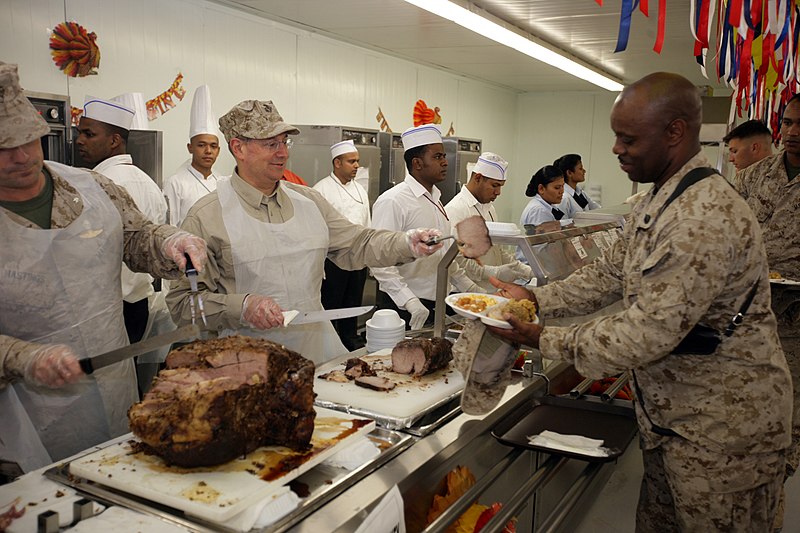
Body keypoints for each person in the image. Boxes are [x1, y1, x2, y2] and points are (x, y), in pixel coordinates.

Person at [488, 72, 792, 532]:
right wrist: (535, 297)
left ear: (675, 132)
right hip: (675, 419)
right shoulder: (664, 198)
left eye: (628, 138)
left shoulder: (701, 214)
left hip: (722, 432)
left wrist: (541, 337)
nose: (615, 149)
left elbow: (647, 332)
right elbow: (609, 272)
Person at [0, 62, 207, 472]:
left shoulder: (90, 187)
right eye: (3, 147)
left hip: (112, 383)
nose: (22, 156)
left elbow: (136, 237)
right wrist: (21, 356)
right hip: (24, 409)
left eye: (29, 140)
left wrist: (170, 241)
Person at [166, 100, 444, 364]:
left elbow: (359, 242)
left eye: (284, 142)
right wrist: (241, 307)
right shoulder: (206, 217)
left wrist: (406, 243)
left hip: (316, 353)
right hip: (247, 362)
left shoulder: (309, 202)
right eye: (271, 144)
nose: (283, 152)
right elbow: (182, 303)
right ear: (238, 148)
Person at [733, 96, 800, 530]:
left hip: (796, 330)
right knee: (741, 429)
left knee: (786, 435)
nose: (793, 131)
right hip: (747, 323)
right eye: (788, 122)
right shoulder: (752, 177)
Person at [370, 124, 485, 330]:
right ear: (417, 163)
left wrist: (468, 287)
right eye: (438, 157)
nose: (445, 162)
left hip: (438, 302)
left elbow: (443, 256)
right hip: (404, 306)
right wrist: (409, 301)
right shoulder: (393, 201)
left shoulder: (436, 199)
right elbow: (379, 261)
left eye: (444, 156)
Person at [76, 96, 169, 344]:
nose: (79, 140)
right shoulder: (149, 184)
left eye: (88, 134)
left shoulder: (96, 185)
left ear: (115, 140)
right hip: (139, 305)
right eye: (79, 133)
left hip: (107, 308)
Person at [443, 152, 532, 291]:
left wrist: (521, 269)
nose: (498, 192)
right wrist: (492, 272)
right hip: (465, 292)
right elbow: (456, 259)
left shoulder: (490, 209)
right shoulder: (456, 209)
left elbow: (496, 248)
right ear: (478, 178)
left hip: (490, 288)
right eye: (495, 185)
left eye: (501, 186)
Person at [313, 140, 370, 350]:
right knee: (331, 305)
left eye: (357, 161)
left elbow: (367, 223)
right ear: (337, 163)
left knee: (353, 303)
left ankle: (351, 340)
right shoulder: (321, 190)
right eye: (351, 161)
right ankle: (328, 344)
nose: (356, 166)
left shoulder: (360, 190)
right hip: (332, 260)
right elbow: (316, 230)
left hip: (358, 258)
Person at [163, 85, 223, 226]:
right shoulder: (175, 183)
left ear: (218, 151)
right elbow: (170, 227)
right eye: (201, 145)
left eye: (213, 146)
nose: (208, 151)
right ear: (190, 148)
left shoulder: (223, 183)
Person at [518, 165, 570, 229]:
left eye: (563, 186)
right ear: (541, 189)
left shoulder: (548, 206)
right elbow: (543, 238)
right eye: (557, 187)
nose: (562, 191)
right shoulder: (539, 210)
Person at [554, 153, 601, 217]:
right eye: (580, 168)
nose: (584, 171)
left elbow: (597, 210)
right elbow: (562, 224)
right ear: (569, 173)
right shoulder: (563, 198)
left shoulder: (580, 193)